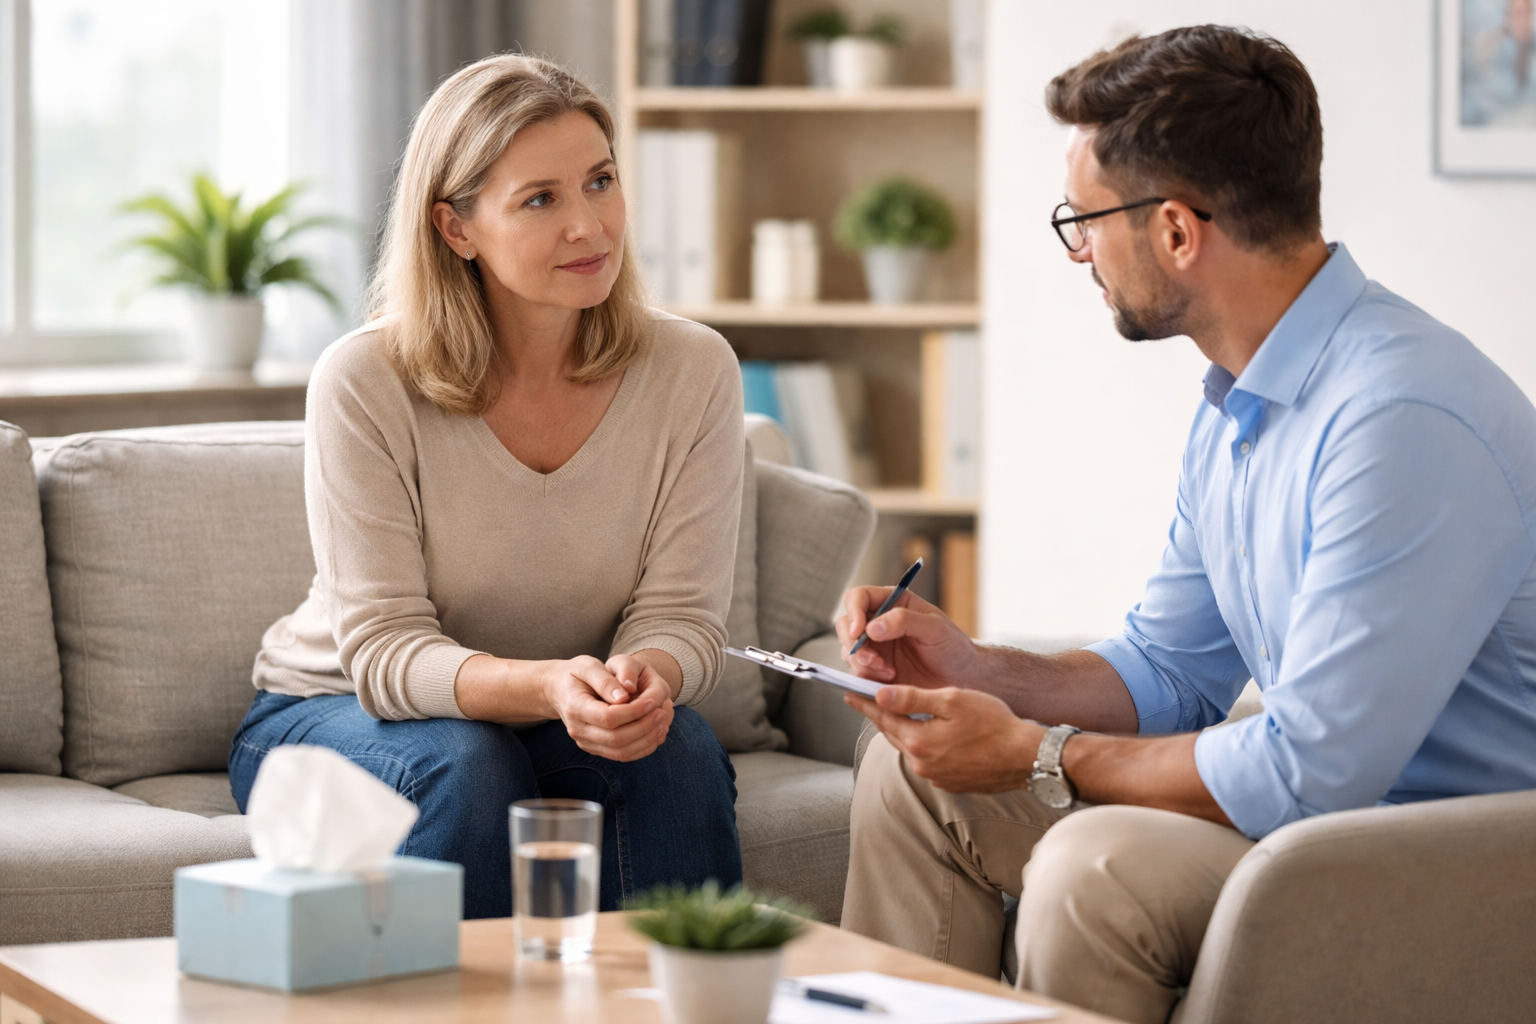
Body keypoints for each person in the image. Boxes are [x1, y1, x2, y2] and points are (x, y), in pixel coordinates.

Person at [835, 25, 1536, 1024]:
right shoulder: (1243, 400)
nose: (1079, 250)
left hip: (1440, 856)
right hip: (1315, 825)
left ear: (1174, 231)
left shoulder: (1400, 418)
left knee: (1094, 864)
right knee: (911, 778)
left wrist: (1039, 752)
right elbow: (1171, 671)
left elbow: (1309, 771)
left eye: (1083, 219)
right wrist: (980, 673)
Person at [228, 55, 745, 919]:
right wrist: (550, 687)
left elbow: (684, 617)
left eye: (601, 181)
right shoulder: (363, 380)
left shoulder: (693, 370)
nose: (590, 226)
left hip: (553, 717)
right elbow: (386, 654)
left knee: (676, 749)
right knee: (471, 765)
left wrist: (642, 682)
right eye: (540, 199)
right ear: (456, 227)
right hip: (334, 715)